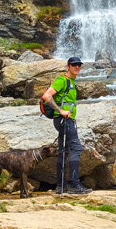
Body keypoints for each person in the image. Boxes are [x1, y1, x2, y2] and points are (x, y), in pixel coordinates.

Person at [41, 56, 92, 195]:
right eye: (74, 65)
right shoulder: (62, 80)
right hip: (63, 120)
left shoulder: (71, 82)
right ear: (68, 66)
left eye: (79, 65)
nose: (77, 67)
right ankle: (74, 184)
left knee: (64, 151)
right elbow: (47, 96)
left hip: (64, 120)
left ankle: (61, 186)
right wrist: (60, 111)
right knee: (76, 148)